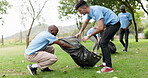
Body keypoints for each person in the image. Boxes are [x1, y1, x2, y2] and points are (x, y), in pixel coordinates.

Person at [75, 0, 120, 73]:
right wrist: (80, 32)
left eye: (80, 10)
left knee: (103, 43)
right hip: (109, 25)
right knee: (102, 43)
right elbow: (86, 22)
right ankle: (105, 63)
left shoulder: (96, 11)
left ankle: (109, 67)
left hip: (114, 24)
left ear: (85, 8)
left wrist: (88, 36)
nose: (80, 13)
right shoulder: (90, 13)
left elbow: (100, 27)